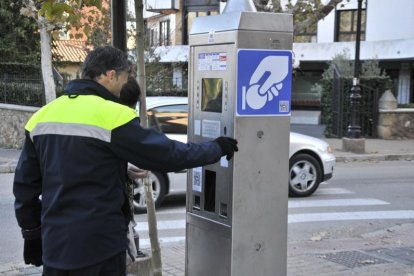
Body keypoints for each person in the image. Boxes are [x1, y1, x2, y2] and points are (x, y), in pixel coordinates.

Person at [13, 45, 238, 275]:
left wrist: (31, 233)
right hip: (99, 247)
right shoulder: (112, 115)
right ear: (111, 75)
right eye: (124, 77)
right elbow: (168, 154)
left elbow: (25, 186)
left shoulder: (42, 116)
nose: (124, 85)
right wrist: (216, 148)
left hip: (56, 246)